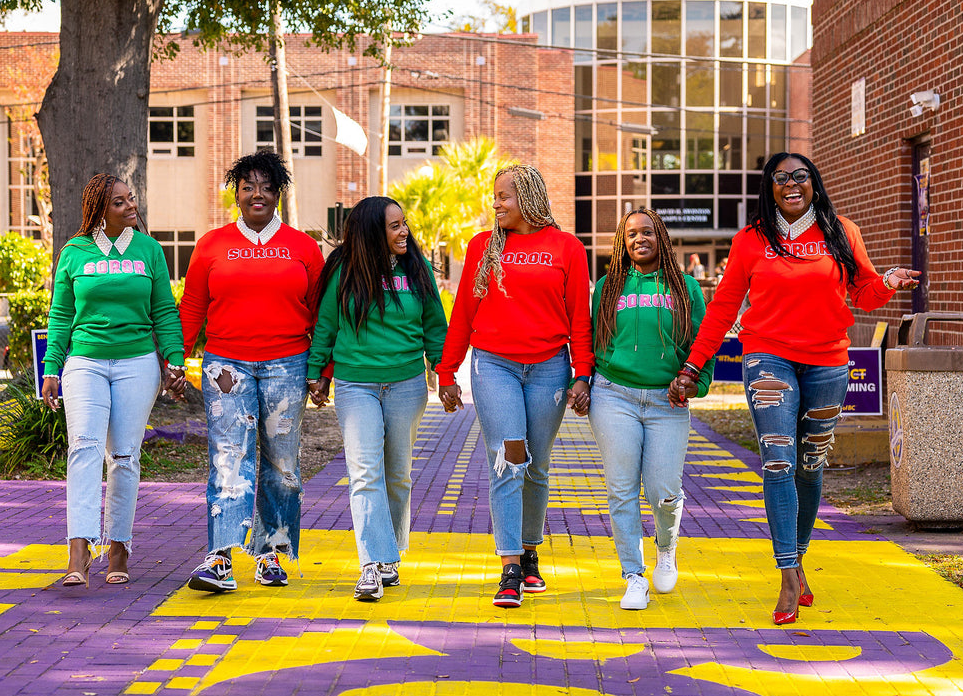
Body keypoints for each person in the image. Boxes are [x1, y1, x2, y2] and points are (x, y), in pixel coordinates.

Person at [676, 152, 920, 625]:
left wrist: (887, 280)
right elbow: (725, 306)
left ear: (814, 183)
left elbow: (864, 292)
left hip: (828, 361)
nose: (791, 184)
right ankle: (787, 572)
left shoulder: (840, 231)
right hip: (768, 357)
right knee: (778, 459)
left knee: (810, 465)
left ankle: (799, 556)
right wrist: (693, 365)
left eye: (800, 177)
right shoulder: (751, 240)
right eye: (780, 178)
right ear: (769, 187)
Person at [437, 163, 593, 608]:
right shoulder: (483, 246)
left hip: (549, 367)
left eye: (504, 196)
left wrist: (582, 374)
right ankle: (508, 567)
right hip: (494, 365)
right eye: (495, 196)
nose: (496, 203)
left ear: (527, 197)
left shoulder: (566, 248)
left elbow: (579, 319)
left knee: (537, 465)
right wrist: (447, 372)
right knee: (510, 458)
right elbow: (464, 312)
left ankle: (529, 551)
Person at [179, 149, 324, 593]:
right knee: (229, 457)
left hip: (288, 365)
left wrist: (322, 369)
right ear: (236, 195)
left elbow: (321, 314)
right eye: (247, 187)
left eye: (266, 187)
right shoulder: (211, 245)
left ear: (278, 194)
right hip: (227, 367)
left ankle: (273, 553)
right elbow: (193, 306)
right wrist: (174, 358)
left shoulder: (303, 247)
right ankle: (220, 557)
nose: (256, 194)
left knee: (282, 464)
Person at [43, 173, 186, 587]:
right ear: (100, 212)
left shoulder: (149, 251)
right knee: (84, 448)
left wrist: (173, 361)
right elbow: (61, 315)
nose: (131, 206)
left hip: (136, 364)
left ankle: (119, 546)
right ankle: (79, 548)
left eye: (131, 198)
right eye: (120, 202)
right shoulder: (74, 252)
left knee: (123, 457)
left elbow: (164, 311)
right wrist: (52, 367)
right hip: (85, 361)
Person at [307, 197, 447, 601]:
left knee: (397, 473)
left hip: (406, 384)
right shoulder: (344, 271)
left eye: (405, 224)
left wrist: (444, 369)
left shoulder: (416, 271)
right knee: (364, 472)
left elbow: (434, 325)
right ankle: (371, 563)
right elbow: (327, 325)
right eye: (395, 226)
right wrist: (317, 373)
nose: (404, 232)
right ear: (372, 232)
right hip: (356, 386)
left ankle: (391, 553)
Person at [588, 209, 716, 610]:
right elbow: (590, 338)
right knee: (621, 489)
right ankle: (632, 576)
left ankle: (666, 547)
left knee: (663, 491)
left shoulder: (687, 289)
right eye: (631, 234)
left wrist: (696, 381)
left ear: (661, 237)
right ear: (622, 242)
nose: (639, 239)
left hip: (667, 401)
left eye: (647, 232)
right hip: (613, 395)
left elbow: (703, 343)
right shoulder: (608, 287)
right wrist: (581, 380)